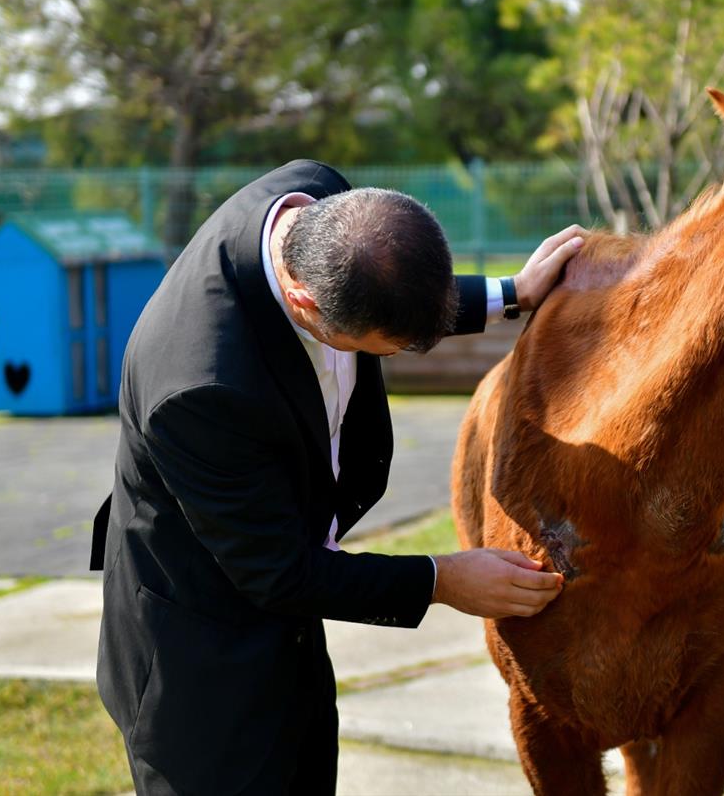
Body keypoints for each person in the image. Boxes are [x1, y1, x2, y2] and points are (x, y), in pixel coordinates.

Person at [89, 159, 587, 794]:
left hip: (289, 626)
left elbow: (391, 286)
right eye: (381, 349)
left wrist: (511, 292)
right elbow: (280, 572)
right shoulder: (200, 387)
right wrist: (441, 580)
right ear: (304, 301)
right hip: (201, 659)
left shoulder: (323, 205)